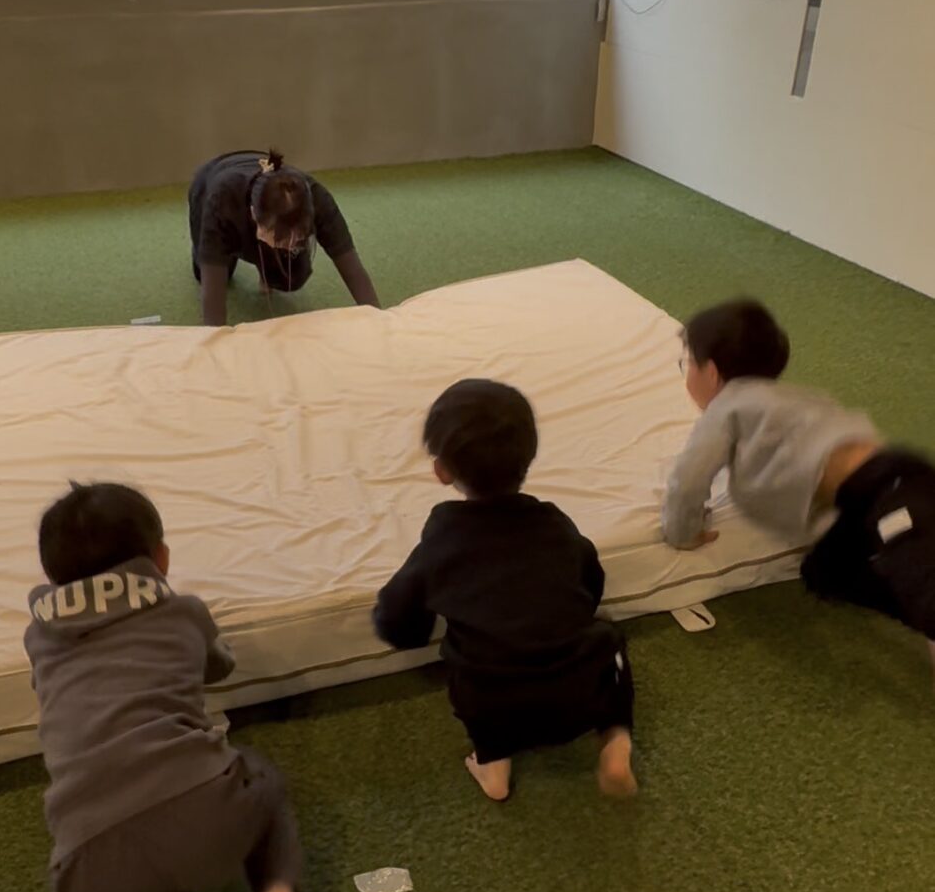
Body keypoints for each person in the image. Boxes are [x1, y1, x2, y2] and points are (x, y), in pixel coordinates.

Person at [24, 482, 307, 892]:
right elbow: (217, 667)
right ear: (161, 559)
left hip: (88, 851)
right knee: (262, 789)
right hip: (200, 808)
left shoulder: (39, 636)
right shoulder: (181, 612)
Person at [373, 378, 637, 802]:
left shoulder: (442, 539)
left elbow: (397, 617)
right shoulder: (553, 522)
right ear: (528, 458)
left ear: (442, 471)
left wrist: (413, 633)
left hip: (494, 706)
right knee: (610, 641)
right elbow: (591, 581)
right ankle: (615, 741)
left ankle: (492, 765)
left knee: (472, 677)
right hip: (580, 692)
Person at [663, 299, 935, 673]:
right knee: (826, 573)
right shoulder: (783, 401)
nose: (685, 374)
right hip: (863, 503)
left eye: (687, 363)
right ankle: (915, 606)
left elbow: (688, 479)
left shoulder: (727, 407)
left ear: (710, 372)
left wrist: (683, 531)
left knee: (920, 575)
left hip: (888, 489)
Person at [188, 148, 379, 327]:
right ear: (254, 215)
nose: (291, 245)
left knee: (291, 277)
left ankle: (265, 259)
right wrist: (216, 343)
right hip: (209, 183)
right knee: (210, 274)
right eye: (282, 239)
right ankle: (240, 250)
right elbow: (213, 305)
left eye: (298, 237)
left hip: (263, 205)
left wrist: (379, 322)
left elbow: (352, 268)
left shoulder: (319, 201)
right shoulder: (220, 202)